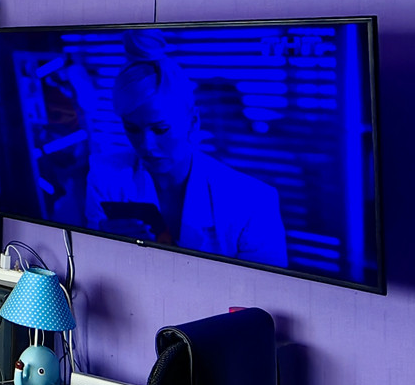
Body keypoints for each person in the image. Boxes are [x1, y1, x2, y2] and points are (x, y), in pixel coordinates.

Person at [83, 54, 288, 268]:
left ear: (193, 122)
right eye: (132, 129)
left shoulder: (253, 203)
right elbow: (94, 269)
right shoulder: (105, 177)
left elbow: (264, 287)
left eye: (161, 129)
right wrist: (104, 245)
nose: (146, 145)